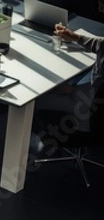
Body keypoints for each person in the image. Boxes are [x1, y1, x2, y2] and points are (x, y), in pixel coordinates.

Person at [35, 4, 104, 134]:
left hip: (87, 107)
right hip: (90, 96)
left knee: (35, 100)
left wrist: (72, 89)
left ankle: (31, 143)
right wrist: (75, 37)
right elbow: (100, 44)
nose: (100, 10)